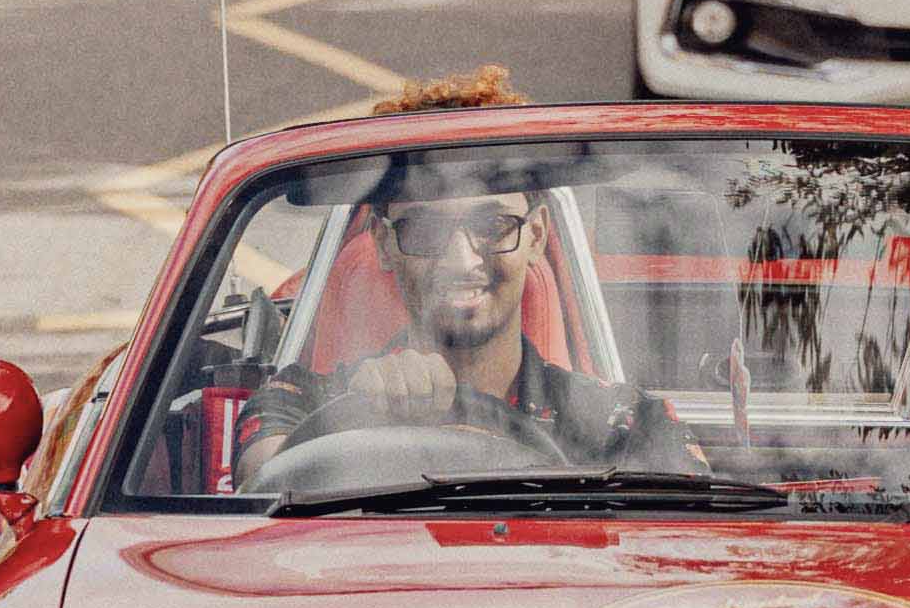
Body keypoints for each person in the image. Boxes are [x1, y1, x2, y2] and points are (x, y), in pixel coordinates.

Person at [237, 176, 694, 481]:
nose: (461, 261)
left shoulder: (624, 422)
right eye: (423, 229)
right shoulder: (301, 399)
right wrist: (356, 417)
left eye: (494, 225)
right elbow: (265, 478)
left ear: (535, 236)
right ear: (383, 244)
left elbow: (698, 539)